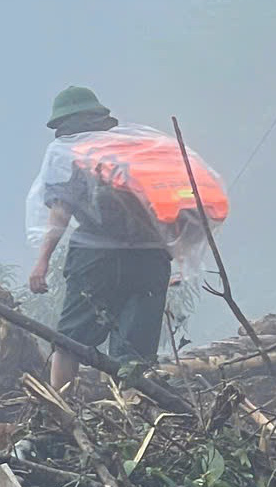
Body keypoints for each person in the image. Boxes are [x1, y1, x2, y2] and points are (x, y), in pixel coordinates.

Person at [26, 87, 229, 389]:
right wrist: (182, 259)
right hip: (150, 260)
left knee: (70, 340)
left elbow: (60, 211)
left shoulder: (70, 152)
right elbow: (176, 211)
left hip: (95, 260)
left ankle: (59, 410)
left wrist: (41, 261)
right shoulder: (138, 148)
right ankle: (132, 413)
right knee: (135, 352)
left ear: (63, 123)